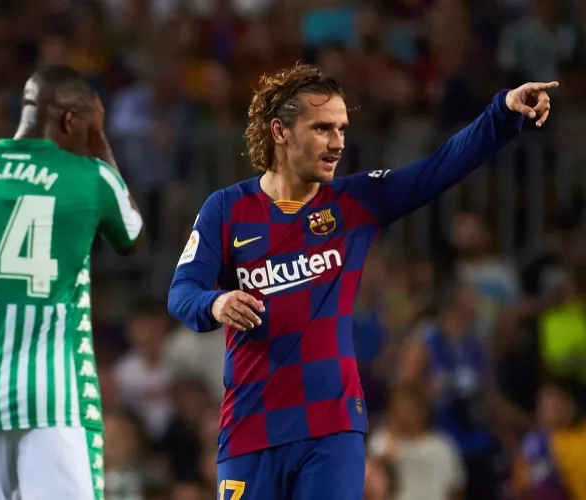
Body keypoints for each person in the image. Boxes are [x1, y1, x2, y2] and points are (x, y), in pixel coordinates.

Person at [167, 62, 557, 500]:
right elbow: (182, 293)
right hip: (251, 428)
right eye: (322, 129)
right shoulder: (227, 209)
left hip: (333, 427)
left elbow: (438, 168)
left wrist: (502, 113)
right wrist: (215, 304)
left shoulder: (354, 203)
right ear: (280, 131)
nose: (338, 143)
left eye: (342, 129)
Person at [0, 64, 144, 500]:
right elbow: (131, 237)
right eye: (87, 127)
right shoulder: (90, 178)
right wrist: (99, 143)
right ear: (71, 121)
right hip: (57, 400)